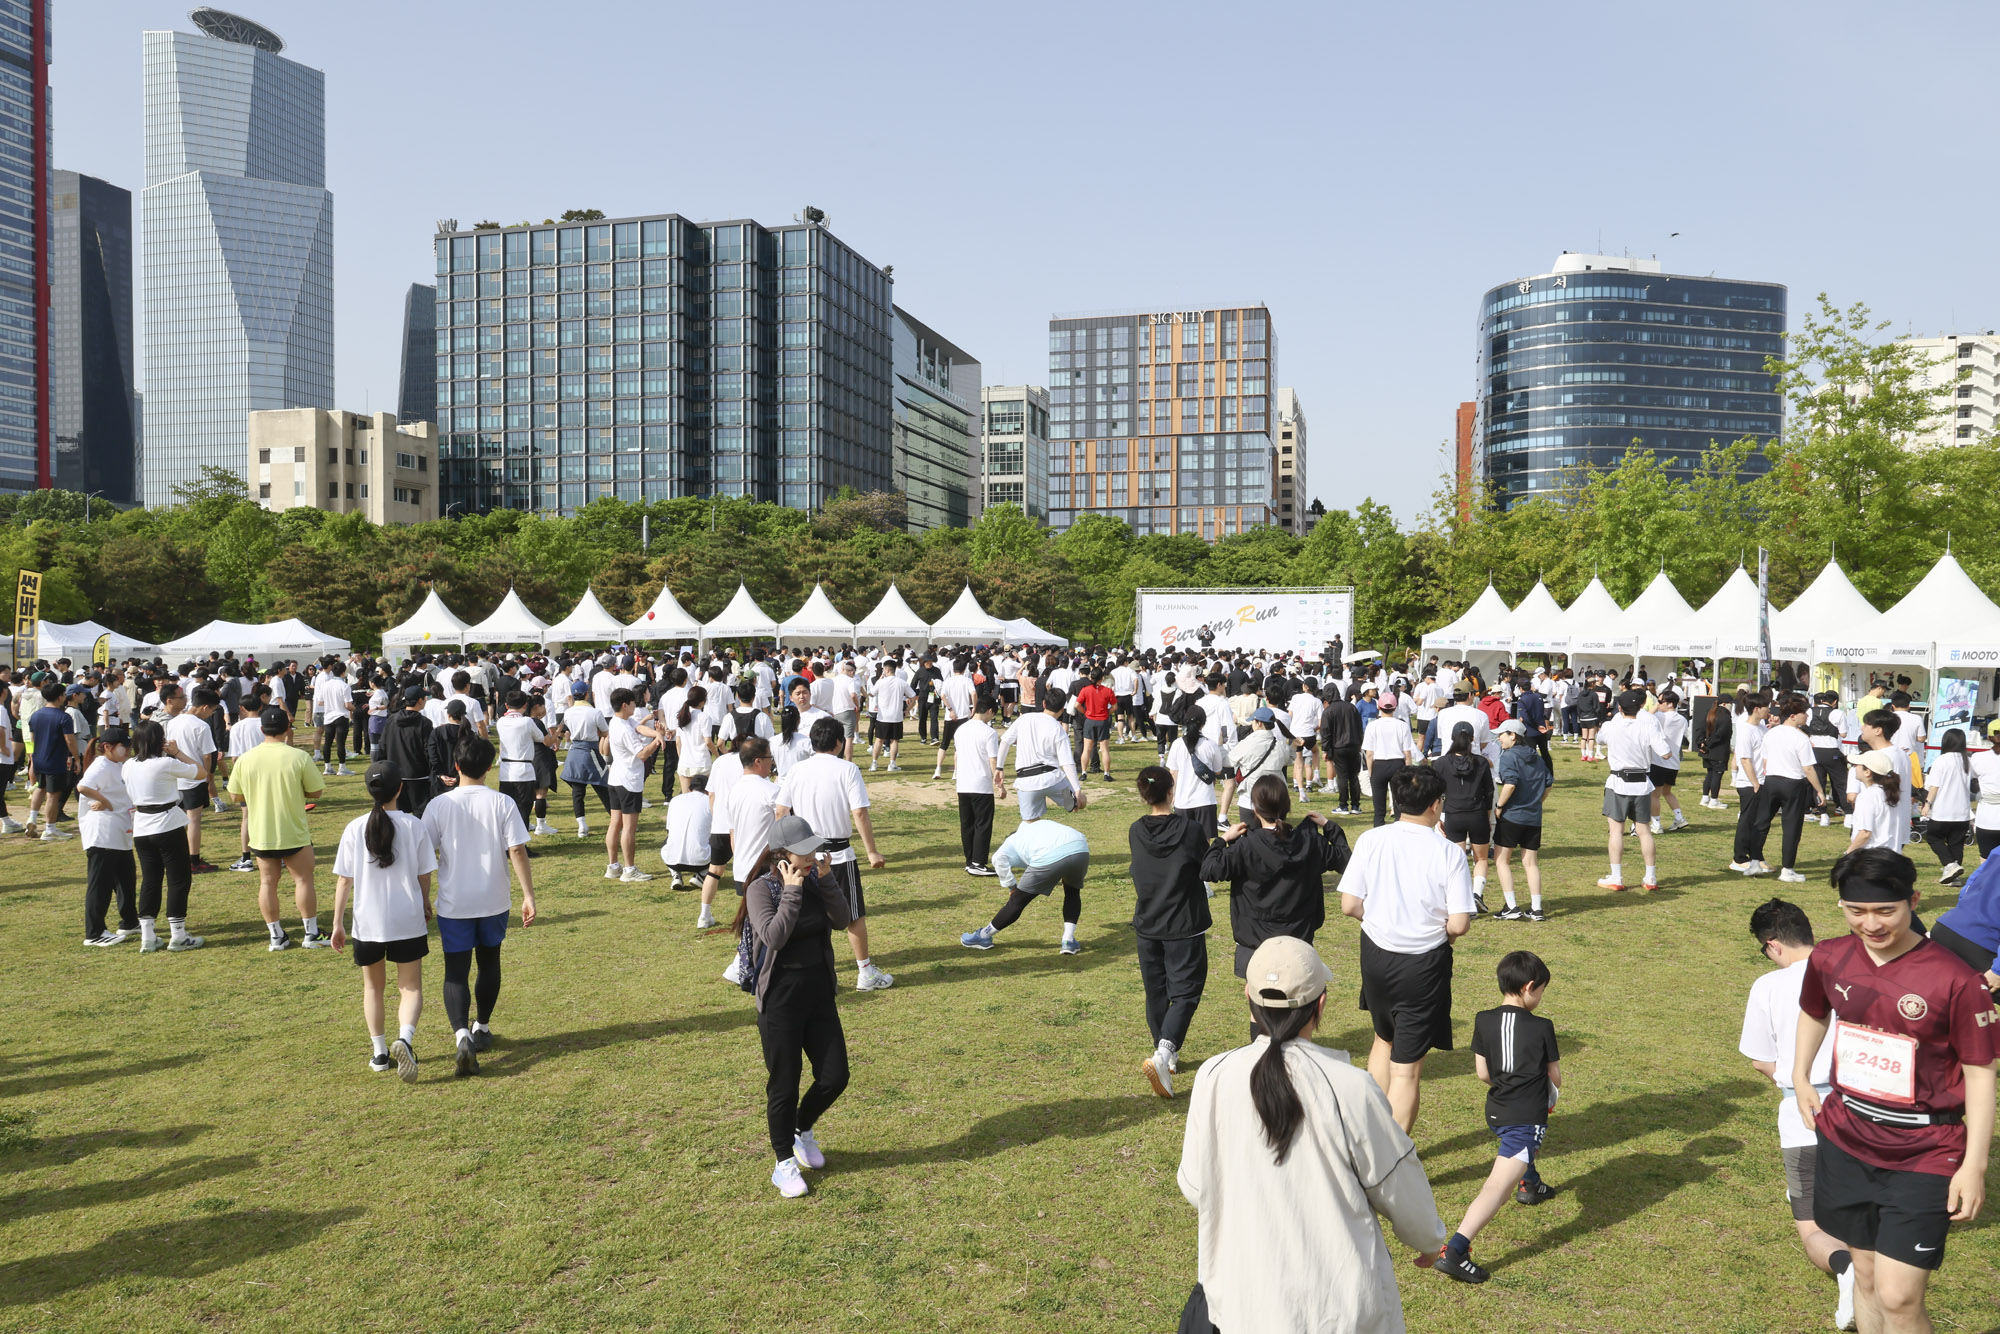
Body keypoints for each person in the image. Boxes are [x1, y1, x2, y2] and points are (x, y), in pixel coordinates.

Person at [1175, 935, 1446, 1333]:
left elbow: (1195, 1185)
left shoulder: (1214, 1075)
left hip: (1242, 1303)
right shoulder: (1350, 1086)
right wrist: (1428, 1239)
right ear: (1320, 1005)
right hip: (1338, 1310)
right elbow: (1395, 1179)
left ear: (1248, 998)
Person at [1795, 848, 1996, 1334]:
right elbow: (1814, 1011)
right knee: (1865, 1276)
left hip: (1924, 1151)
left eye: (1885, 910)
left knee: (1899, 1296)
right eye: (1856, 911)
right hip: (1846, 1137)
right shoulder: (1829, 957)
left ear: (1914, 901)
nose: (1871, 924)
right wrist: (1800, 1075)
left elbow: (1981, 1071)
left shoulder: (1956, 979)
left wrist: (1974, 1165)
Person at [1738, 897, 1855, 1330]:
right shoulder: (1851, 970)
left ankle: (1846, 1268)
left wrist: (1789, 1077)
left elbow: (1760, 1059)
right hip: (1863, 1111)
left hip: (1802, 1116)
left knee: (1811, 1227)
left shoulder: (1768, 986)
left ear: (1772, 944)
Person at [1339, 766, 1475, 1134]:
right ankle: (1392, 1156)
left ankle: (1366, 1134)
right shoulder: (1448, 852)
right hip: (1424, 964)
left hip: (1376, 956)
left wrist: (1381, 919)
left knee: (1383, 1038)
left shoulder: (1371, 839)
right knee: (1407, 1069)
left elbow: (1350, 905)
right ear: (1435, 805)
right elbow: (1459, 923)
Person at [1431, 950, 1563, 1284]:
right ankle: (1455, 1250)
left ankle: (1529, 1183)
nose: (1541, 997)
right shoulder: (1542, 1027)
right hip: (1524, 1118)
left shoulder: (1483, 1019)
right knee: (1496, 1187)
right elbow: (1555, 1078)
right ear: (1529, 986)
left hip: (1496, 1111)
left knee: (1518, 1154)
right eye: (1541, 990)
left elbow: (1482, 1073)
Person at [743, 813, 852, 1199]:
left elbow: (842, 919)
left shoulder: (816, 880)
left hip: (819, 995)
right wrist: (791, 891)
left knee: (835, 1076)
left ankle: (801, 1128)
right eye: (803, 852)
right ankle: (783, 1162)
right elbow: (774, 936)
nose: (811, 856)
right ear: (781, 855)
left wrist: (827, 880)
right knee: (784, 1086)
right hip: (780, 1002)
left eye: (813, 849)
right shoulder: (761, 889)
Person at [422, 733, 537, 1077]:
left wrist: (424, 898)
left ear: (456, 766)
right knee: (489, 962)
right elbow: (516, 850)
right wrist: (529, 895)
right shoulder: (502, 802)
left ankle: (462, 1035)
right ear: (489, 767)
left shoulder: (438, 805)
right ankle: (482, 1027)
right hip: (493, 899)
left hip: (454, 902)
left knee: (455, 970)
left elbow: (424, 857)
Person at [330, 764, 437, 1082]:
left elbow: (344, 881)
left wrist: (337, 924)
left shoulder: (354, 827)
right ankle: (405, 1039)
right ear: (400, 788)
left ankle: (379, 1053)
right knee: (410, 987)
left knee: (373, 987)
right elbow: (424, 875)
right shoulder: (414, 825)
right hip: (407, 918)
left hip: (368, 922)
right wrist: (425, 902)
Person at [775, 717, 893, 991]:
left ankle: (799, 968)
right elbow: (859, 812)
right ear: (839, 743)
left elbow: (781, 811)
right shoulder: (848, 769)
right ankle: (865, 972)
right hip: (837, 855)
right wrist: (872, 851)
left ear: (812, 742)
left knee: (798, 912)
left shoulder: (796, 770)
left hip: (800, 855)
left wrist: (783, 851)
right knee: (853, 915)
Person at [1202, 774, 1349, 984]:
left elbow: (1208, 869)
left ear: (1255, 808)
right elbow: (1346, 860)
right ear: (1287, 806)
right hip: (1298, 941)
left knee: (1259, 1001)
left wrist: (1222, 840)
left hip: (1255, 945)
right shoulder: (1309, 843)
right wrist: (1328, 826)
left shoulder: (1246, 846)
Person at [1128, 765, 1212, 1099]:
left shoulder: (1136, 830)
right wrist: (1223, 842)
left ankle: (1165, 1051)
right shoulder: (1190, 830)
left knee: (1156, 991)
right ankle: (1164, 1053)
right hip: (1183, 923)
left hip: (1148, 923)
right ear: (1170, 790)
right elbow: (1207, 864)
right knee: (1187, 992)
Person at [225, 707, 328, 951]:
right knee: (303, 880)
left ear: (262, 729)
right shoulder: (298, 757)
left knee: (267, 883)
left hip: (261, 833)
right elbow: (316, 792)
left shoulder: (246, 759)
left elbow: (235, 796)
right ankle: (311, 933)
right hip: (293, 831)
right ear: (287, 729)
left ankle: (276, 936)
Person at [958, 817, 1090, 955]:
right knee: (1072, 892)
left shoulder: (1011, 841)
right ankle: (1068, 941)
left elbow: (997, 859)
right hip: (1080, 849)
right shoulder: (1038, 828)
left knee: (1017, 901)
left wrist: (1012, 887)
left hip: (1050, 856)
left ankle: (983, 936)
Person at [1599, 688, 1671, 892]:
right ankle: (1650, 877)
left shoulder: (1611, 726)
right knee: (1644, 831)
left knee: (1616, 831)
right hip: (1641, 783)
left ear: (1620, 708)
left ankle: (1616, 876)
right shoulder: (1647, 726)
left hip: (1618, 782)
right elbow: (1666, 754)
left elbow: (1600, 739)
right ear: (1640, 707)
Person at [77, 726, 138, 948]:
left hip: (119, 832)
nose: (128, 750)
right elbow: (83, 787)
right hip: (103, 833)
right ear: (108, 747)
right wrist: (105, 802)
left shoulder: (118, 764)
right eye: (124, 746)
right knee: (100, 884)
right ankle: (94, 933)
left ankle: (130, 922)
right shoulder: (101, 765)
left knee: (126, 879)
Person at [1490, 720, 1552, 921]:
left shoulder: (1508, 756)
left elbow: (1510, 784)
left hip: (1512, 815)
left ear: (1513, 735)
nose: (1499, 738)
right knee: (1531, 863)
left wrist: (1499, 806)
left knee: (1501, 860)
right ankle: (1536, 908)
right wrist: (1536, 802)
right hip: (1533, 817)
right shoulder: (1537, 758)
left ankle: (1511, 906)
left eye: (1502, 734)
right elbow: (1548, 784)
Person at [994, 687, 1087, 821]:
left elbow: (1005, 741)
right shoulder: (1058, 729)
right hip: (1053, 779)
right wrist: (1077, 790)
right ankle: (1074, 800)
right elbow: (1067, 762)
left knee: (1030, 823)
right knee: (1079, 802)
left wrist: (999, 768)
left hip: (1026, 780)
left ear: (1044, 703)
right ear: (1062, 709)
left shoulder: (1024, 718)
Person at [605, 687, 663, 883]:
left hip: (615, 779)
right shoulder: (623, 729)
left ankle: (613, 866)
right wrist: (657, 741)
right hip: (628, 781)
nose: (634, 706)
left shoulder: (618, 721)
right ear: (624, 705)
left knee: (615, 824)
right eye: (632, 704)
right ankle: (629, 869)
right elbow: (642, 754)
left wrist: (656, 734)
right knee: (628, 828)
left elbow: (638, 727)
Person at [1436, 721, 1494, 910]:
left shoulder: (1441, 763)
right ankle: (1477, 894)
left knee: (1457, 861)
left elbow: (1435, 792)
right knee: (1481, 859)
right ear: (1472, 739)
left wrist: (1438, 818)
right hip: (1477, 813)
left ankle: (1458, 898)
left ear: (1452, 738)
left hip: (1453, 814)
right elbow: (1489, 791)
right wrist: (1487, 815)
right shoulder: (1481, 762)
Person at [953, 689, 1001, 876]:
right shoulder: (989, 732)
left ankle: (970, 860)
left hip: (963, 783)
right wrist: (999, 784)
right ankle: (978, 863)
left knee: (967, 824)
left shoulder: (961, 729)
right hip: (981, 784)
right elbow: (993, 761)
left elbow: (957, 755)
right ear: (989, 711)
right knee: (983, 824)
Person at [28, 679, 79, 839]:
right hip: (55, 760)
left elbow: (33, 738)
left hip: (39, 758)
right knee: (53, 795)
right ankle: (50, 829)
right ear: (60, 697)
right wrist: (76, 758)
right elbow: (70, 740)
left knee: (40, 788)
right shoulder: (64, 717)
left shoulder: (36, 715)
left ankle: (32, 818)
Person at [1919, 730, 1971, 885]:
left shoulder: (1941, 760)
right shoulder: (1967, 761)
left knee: (1933, 838)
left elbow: (1934, 786)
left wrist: (1927, 804)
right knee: (1957, 843)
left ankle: (1950, 865)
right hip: (1962, 811)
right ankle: (1954, 877)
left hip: (1943, 810)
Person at [1360, 690, 1418, 828]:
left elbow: (1369, 754)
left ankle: (1379, 828)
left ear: (1379, 707)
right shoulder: (1402, 725)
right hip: (1398, 764)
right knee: (1399, 803)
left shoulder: (1372, 725)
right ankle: (1399, 828)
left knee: (1379, 807)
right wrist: (1408, 771)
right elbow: (1407, 753)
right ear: (1395, 707)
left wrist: (1371, 772)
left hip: (1379, 765)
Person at [660, 775, 713, 899]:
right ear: (707, 790)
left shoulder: (675, 800)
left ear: (689, 789)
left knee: (668, 840)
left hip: (672, 860)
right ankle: (701, 875)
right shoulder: (710, 802)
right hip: (701, 862)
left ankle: (675, 874)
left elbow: (669, 830)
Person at [1845, 749, 1907, 854]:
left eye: (1858, 765)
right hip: (1892, 855)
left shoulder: (1867, 796)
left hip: (1872, 856)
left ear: (1867, 772)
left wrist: (1848, 853)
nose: (1855, 768)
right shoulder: (1890, 794)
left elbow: (1865, 833)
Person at [1648, 689, 1690, 834]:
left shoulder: (1659, 717)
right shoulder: (1682, 720)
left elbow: (1645, 718)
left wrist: (1655, 707)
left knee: (1654, 795)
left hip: (1659, 761)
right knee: (1667, 792)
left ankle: (1656, 824)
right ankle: (1679, 818)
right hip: (1673, 763)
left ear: (1670, 704)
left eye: (1661, 702)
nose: (1658, 704)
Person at [865, 663, 914, 772]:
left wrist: (879, 680)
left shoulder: (881, 682)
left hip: (883, 716)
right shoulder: (902, 682)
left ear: (887, 670)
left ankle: (874, 764)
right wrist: (907, 710)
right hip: (896, 716)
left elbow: (871, 693)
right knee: (894, 740)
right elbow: (913, 696)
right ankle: (892, 764)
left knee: (879, 740)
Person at [1699, 698, 1735, 810]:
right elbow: (1721, 734)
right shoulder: (1725, 716)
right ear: (1724, 704)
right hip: (1718, 751)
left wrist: (1701, 744)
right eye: (1730, 704)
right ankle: (1714, 800)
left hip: (1707, 751)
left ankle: (1705, 798)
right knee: (1717, 775)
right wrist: (1707, 744)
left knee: (1710, 773)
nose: (1731, 706)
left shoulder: (1709, 712)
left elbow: (1700, 728)